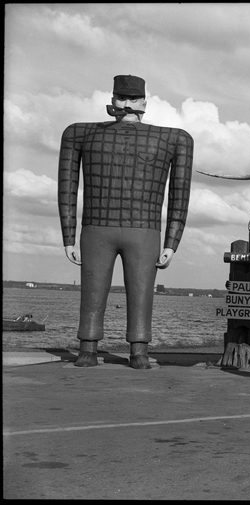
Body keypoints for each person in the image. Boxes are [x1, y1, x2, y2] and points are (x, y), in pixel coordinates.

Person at [58, 74, 193, 369]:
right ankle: (89, 347)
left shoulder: (175, 139)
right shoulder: (79, 134)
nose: (127, 103)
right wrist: (68, 236)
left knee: (142, 290)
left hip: (140, 230)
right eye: (123, 98)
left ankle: (138, 350)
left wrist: (172, 242)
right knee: (92, 289)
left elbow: (180, 195)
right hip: (100, 227)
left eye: (132, 99)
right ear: (113, 99)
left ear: (143, 102)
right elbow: (66, 187)